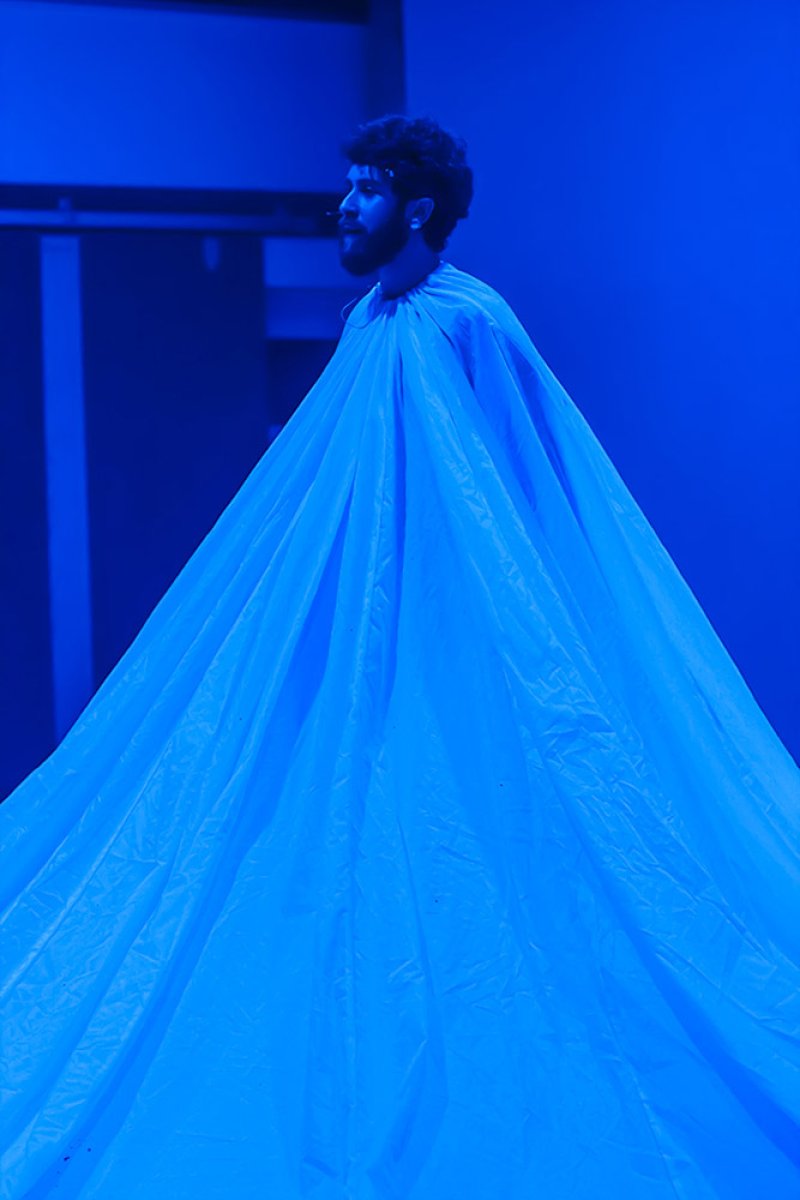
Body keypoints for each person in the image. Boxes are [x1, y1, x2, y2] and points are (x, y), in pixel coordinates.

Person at [1, 114, 798, 1200]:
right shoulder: (368, 321)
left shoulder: (468, 323)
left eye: (365, 191)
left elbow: (517, 492)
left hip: (463, 640)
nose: (342, 207)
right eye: (349, 189)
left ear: (415, 208)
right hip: (370, 634)